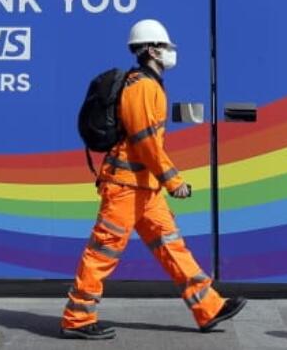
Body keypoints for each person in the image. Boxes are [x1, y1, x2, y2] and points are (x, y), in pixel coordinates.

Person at [60, 19, 245, 340]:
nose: (170, 52)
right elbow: (146, 142)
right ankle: (77, 319)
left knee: (172, 246)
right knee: (103, 252)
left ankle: (208, 306)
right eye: (164, 46)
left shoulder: (148, 84)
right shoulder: (143, 87)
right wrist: (174, 180)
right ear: (149, 50)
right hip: (125, 187)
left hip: (144, 188)